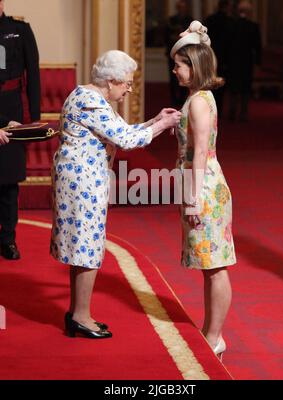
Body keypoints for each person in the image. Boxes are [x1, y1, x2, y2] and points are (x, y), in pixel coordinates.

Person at [50, 50, 181, 339]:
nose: (130, 89)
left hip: (82, 179)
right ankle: (81, 317)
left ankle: (77, 313)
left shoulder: (93, 97)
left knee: (81, 248)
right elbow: (125, 140)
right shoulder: (90, 102)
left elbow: (121, 130)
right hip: (82, 183)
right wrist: (163, 125)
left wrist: (154, 120)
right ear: (111, 81)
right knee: (86, 249)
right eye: (127, 84)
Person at [170, 21, 236, 359]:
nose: (175, 70)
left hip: (204, 187)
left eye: (179, 64)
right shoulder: (200, 97)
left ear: (194, 65)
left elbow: (198, 152)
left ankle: (215, 336)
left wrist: (192, 197)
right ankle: (211, 332)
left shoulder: (197, 102)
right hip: (205, 182)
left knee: (216, 266)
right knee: (211, 266)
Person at [0, 0, 41, 260]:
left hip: (12, 112)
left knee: (8, 182)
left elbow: (33, 75)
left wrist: (33, 120)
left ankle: (8, 239)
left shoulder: (20, 29)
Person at [227, 0, 262, 121]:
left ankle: (232, 110)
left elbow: (228, 45)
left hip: (233, 61)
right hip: (247, 61)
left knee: (233, 87)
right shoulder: (253, 26)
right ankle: (243, 112)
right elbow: (257, 47)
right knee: (245, 88)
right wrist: (257, 63)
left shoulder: (231, 25)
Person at [204, 0, 234, 118]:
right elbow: (231, 43)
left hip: (211, 56)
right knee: (220, 88)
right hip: (225, 59)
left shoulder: (210, 19)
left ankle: (210, 110)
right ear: (226, 7)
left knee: (210, 85)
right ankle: (217, 112)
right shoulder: (229, 22)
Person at [164, 0, 193, 107]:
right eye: (180, 7)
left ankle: (182, 99)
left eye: (183, 7)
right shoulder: (171, 20)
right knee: (173, 77)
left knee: (185, 76)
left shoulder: (190, 20)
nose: (182, 9)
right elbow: (165, 37)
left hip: (186, 54)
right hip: (172, 53)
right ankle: (174, 100)